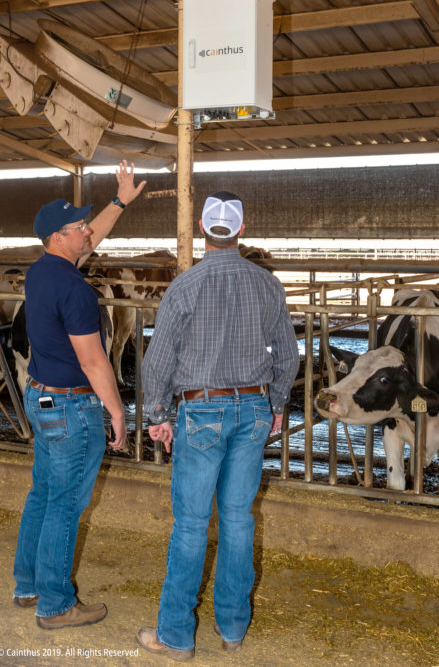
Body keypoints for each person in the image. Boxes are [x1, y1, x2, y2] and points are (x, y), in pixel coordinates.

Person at [136, 191, 299, 660]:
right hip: (252, 411)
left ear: (203, 231)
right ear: (242, 231)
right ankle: (232, 630)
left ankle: (175, 636)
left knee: (190, 524)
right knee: (237, 520)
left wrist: (158, 417)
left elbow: (157, 363)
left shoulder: (185, 286)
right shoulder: (268, 286)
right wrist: (277, 406)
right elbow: (288, 357)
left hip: (201, 410)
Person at [12, 161, 146, 629]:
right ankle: (55, 605)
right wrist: (117, 413)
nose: (87, 231)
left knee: (44, 494)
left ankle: (27, 585)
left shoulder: (42, 272)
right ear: (58, 238)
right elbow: (94, 362)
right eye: (78, 228)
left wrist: (120, 200)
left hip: (40, 398)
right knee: (66, 504)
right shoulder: (77, 290)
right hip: (72, 405)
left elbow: (94, 238)